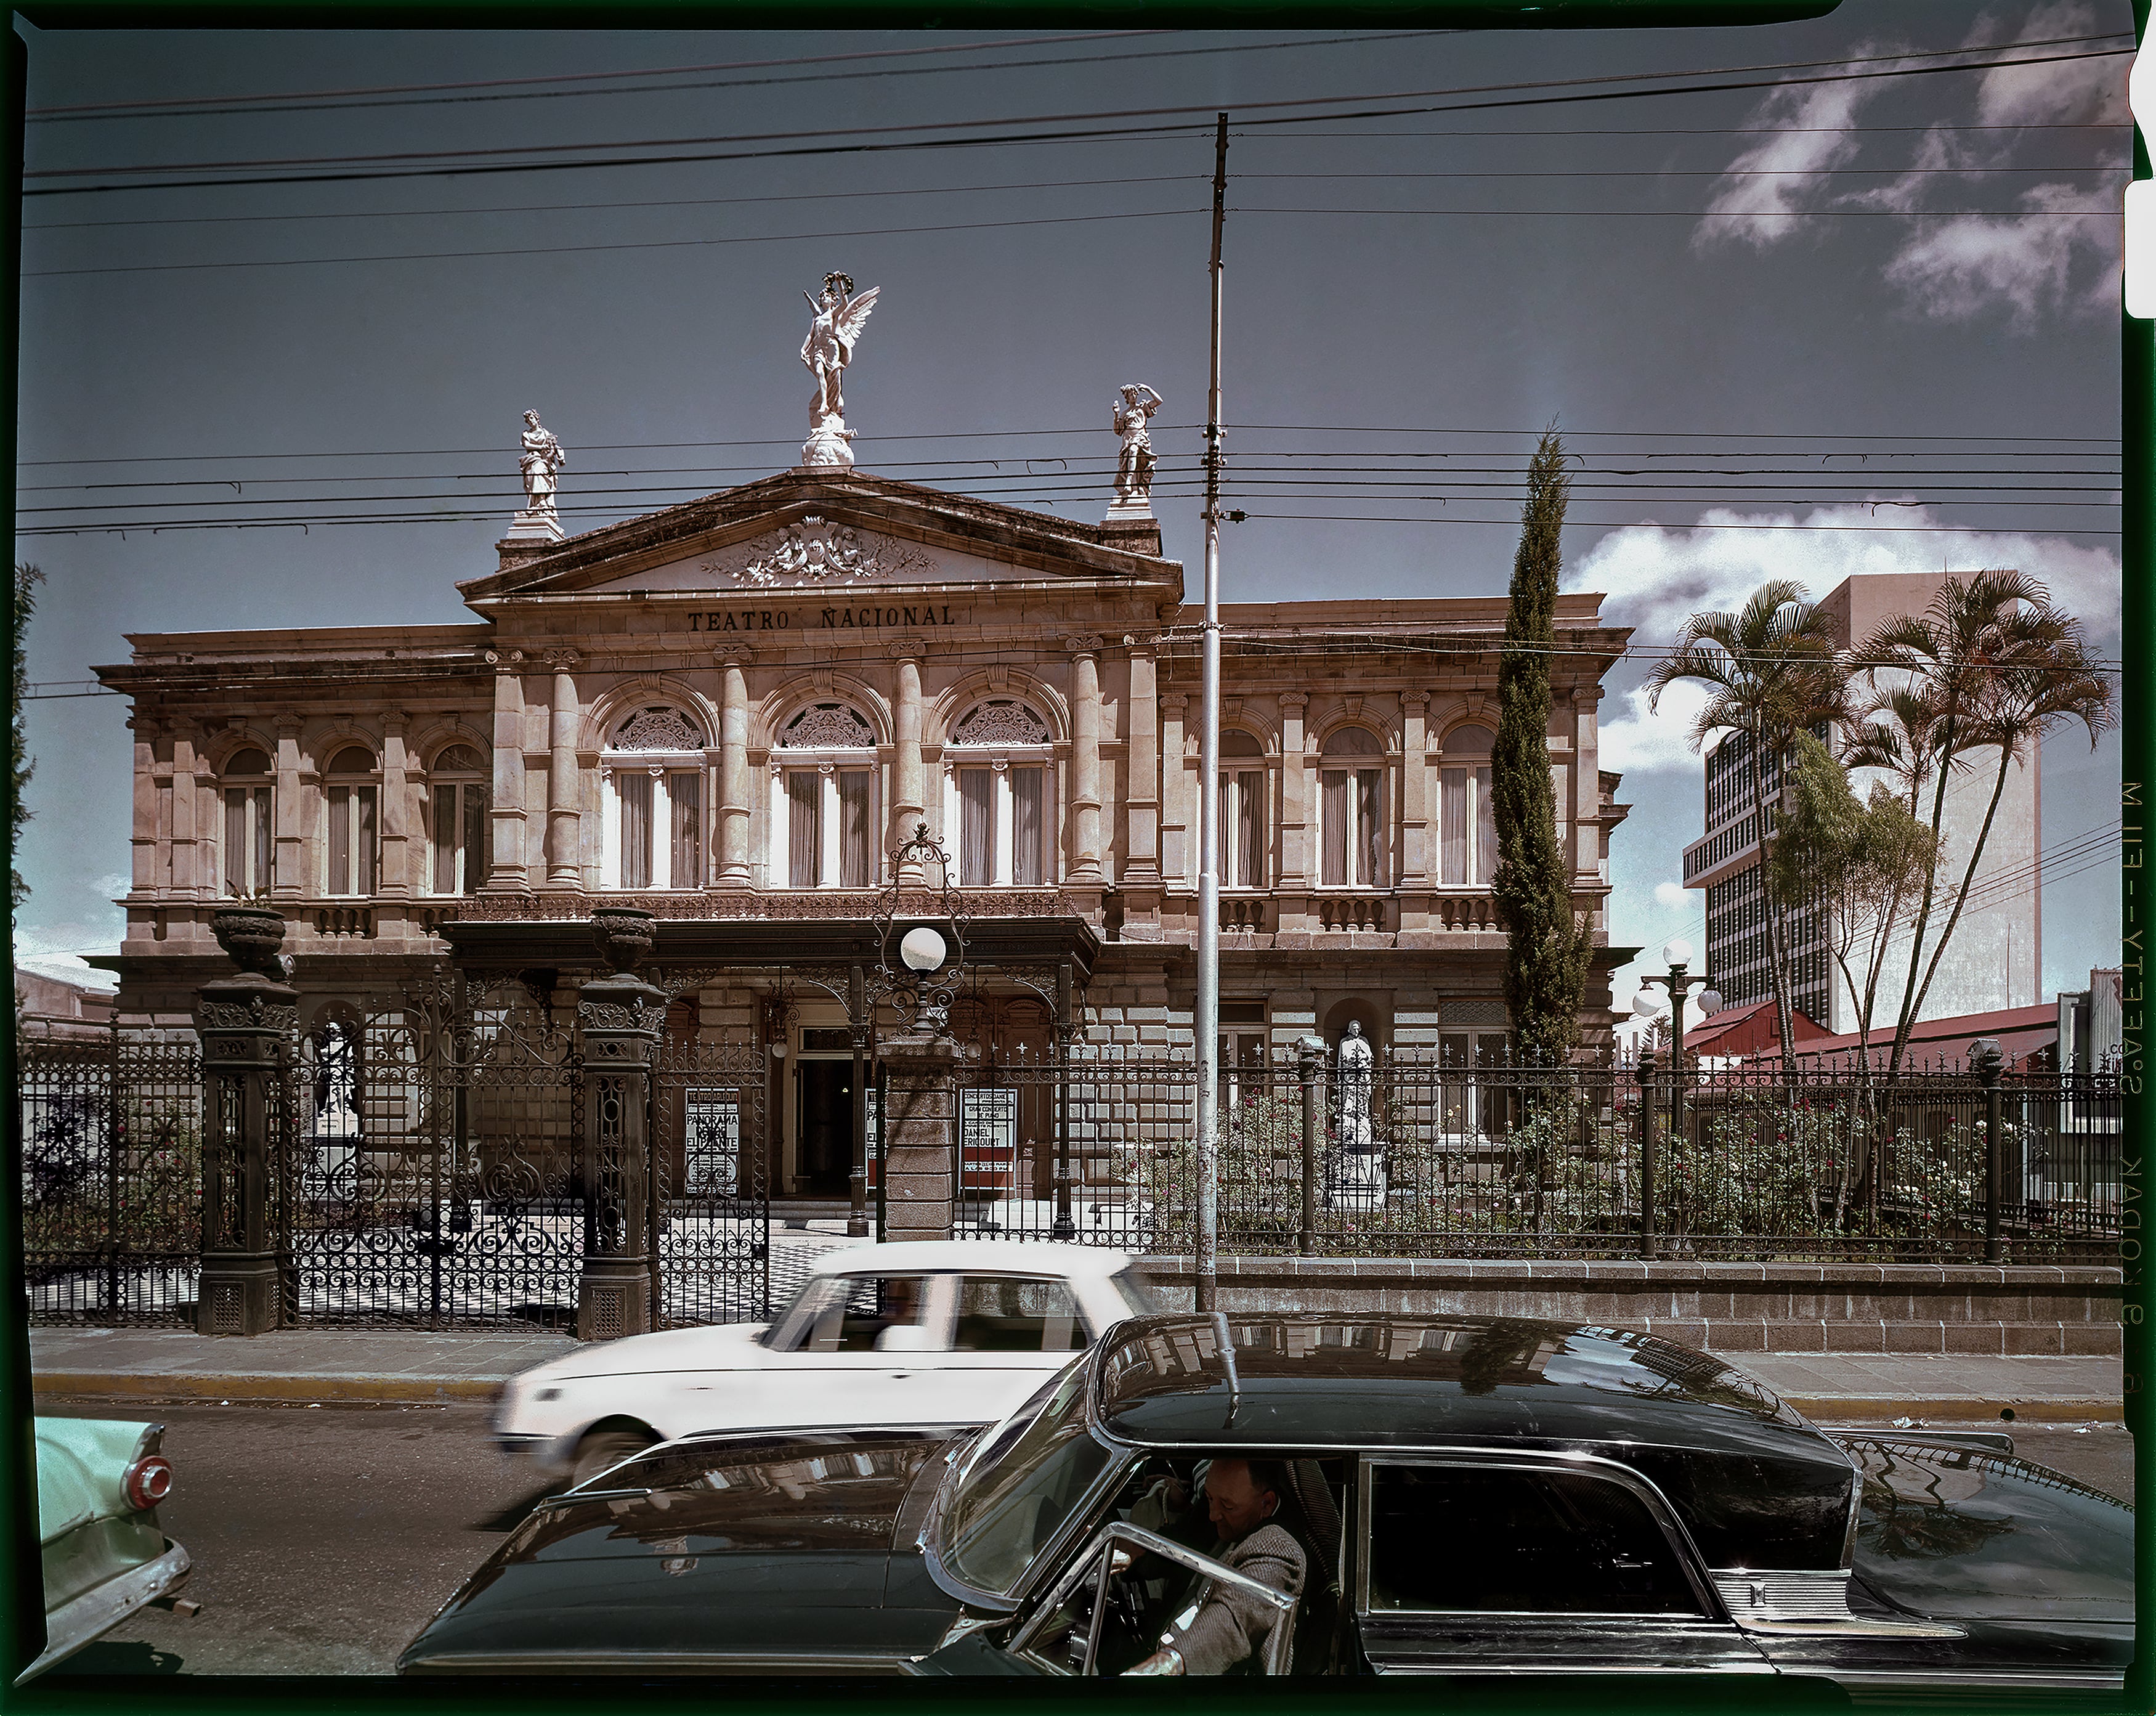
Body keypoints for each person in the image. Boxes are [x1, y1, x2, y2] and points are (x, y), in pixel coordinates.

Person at [1124, 1457, 1306, 1675]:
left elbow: (1233, 1617)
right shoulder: (1218, 1515)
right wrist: (1130, 1552)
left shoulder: (1278, 1546)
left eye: (1227, 1506)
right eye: (1210, 1499)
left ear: (1266, 1503)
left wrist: (1172, 1661)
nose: (1213, 1514)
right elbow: (1176, 1546)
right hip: (1161, 1642)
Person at [1112, 383, 1164, 500]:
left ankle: (1129, 481)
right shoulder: (1124, 413)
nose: (1134, 396)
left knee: (1134, 450)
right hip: (1127, 439)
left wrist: (1148, 389)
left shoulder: (1142, 407)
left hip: (1140, 437)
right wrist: (1116, 414)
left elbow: (1159, 401)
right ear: (1127, 397)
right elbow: (1118, 430)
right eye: (1131, 394)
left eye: (1135, 393)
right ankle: (1134, 489)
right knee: (1131, 461)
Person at [519, 411, 565, 514]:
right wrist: (541, 447)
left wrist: (557, 454)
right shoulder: (526, 434)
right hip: (531, 460)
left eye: (531, 418)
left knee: (538, 472)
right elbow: (527, 445)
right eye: (528, 420)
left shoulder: (546, 433)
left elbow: (551, 447)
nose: (530, 421)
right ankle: (538, 503)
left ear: (536, 419)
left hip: (544, 461)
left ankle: (542, 502)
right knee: (534, 476)